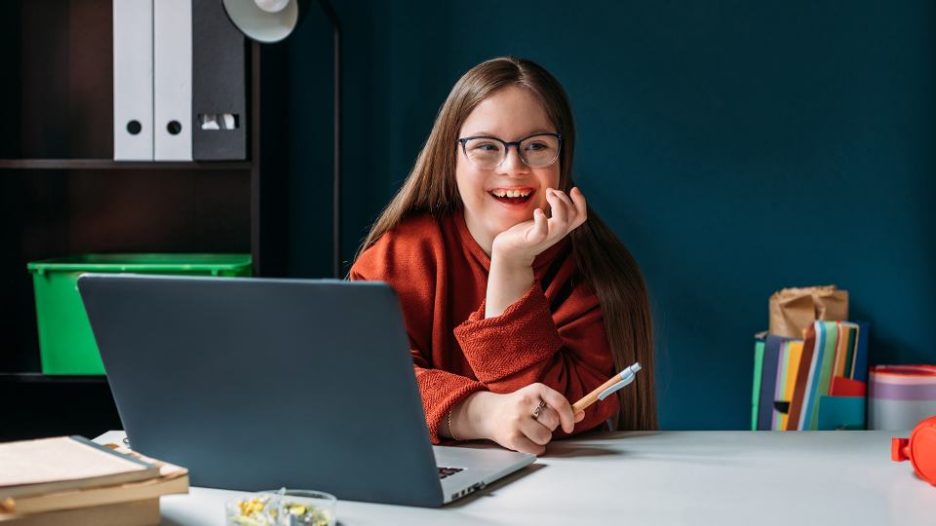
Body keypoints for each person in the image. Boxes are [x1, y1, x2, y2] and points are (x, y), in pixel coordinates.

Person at [349, 57, 656, 455]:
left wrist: (511, 267)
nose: (513, 167)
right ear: (450, 157)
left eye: (536, 146)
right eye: (486, 147)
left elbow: (554, 419)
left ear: (562, 158)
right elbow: (366, 381)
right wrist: (482, 414)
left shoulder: (598, 274)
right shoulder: (398, 256)